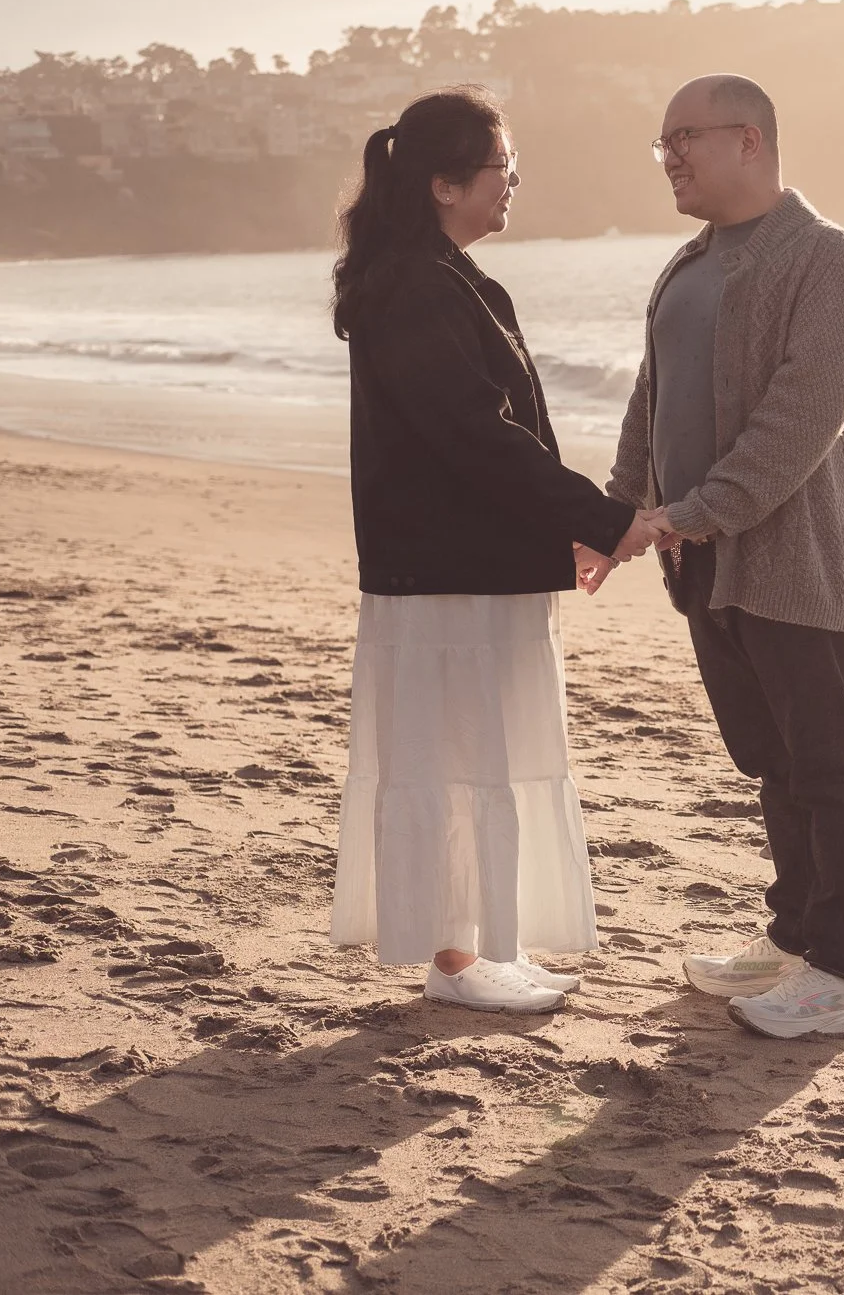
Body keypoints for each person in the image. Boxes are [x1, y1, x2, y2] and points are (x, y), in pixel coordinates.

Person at [327, 86, 659, 1013]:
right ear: (444, 184)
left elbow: (496, 439)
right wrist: (599, 514)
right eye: (502, 171)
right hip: (444, 575)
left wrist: (572, 518)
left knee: (476, 757)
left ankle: (471, 951)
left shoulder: (438, 276)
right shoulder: (415, 285)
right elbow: (476, 435)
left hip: (467, 564)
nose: (513, 186)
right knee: (452, 760)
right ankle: (458, 963)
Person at [606, 74, 844, 1038]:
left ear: (751, 142)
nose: (670, 156)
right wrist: (619, 510)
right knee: (769, 758)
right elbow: (654, 398)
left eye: (685, 136)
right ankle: (794, 933)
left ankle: (840, 974)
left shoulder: (825, 260)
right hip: (705, 558)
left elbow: (801, 421)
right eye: (663, 141)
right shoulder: (687, 264)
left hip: (792, 561)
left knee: (827, 760)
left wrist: (690, 513)